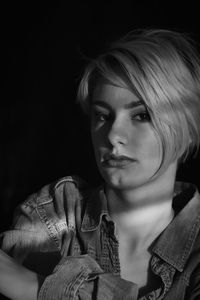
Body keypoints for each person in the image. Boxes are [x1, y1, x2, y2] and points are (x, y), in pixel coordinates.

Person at [1, 28, 200, 300]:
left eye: (141, 115)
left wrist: (30, 285)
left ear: (188, 129)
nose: (113, 135)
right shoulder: (55, 214)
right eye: (103, 116)